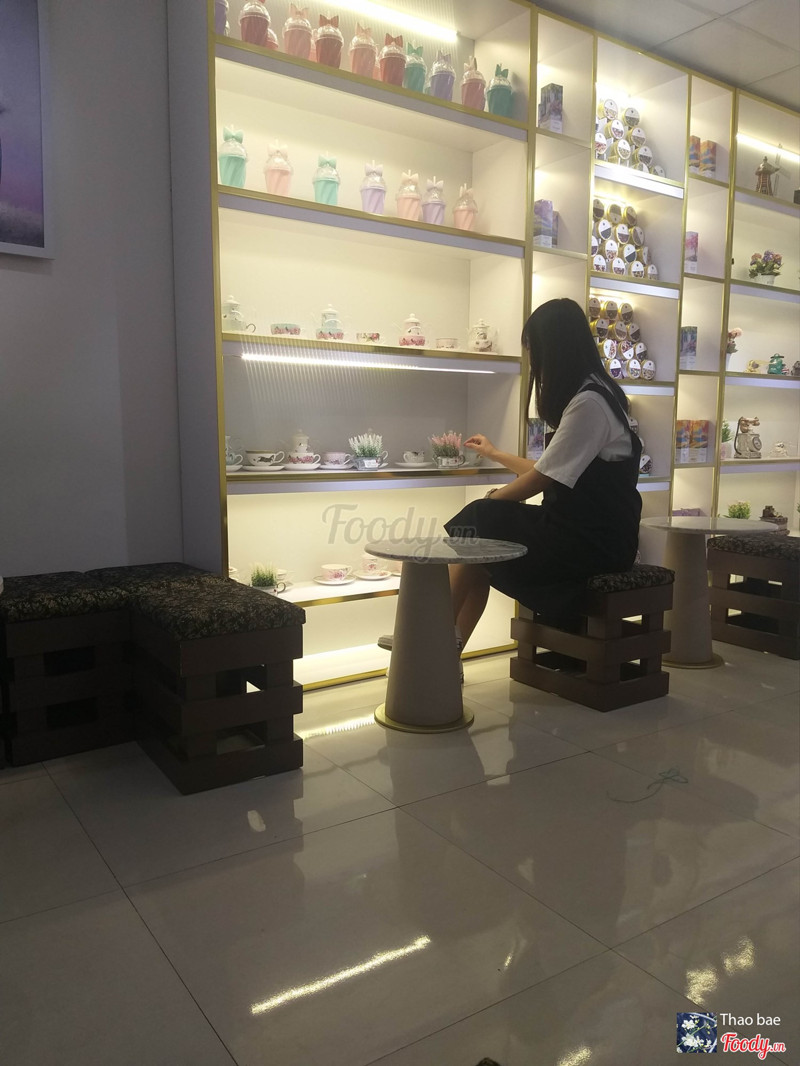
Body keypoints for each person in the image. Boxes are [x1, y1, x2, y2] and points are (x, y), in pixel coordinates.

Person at [445, 297, 642, 649]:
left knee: (477, 519)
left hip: (591, 543)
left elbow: (540, 479)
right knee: (476, 553)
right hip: (589, 534)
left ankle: (429, 639)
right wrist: (494, 454)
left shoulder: (589, 404)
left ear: (553, 350)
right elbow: (550, 470)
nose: (534, 362)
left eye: (534, 351)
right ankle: (446, 653)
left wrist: (493, 499)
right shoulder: (597, 394)